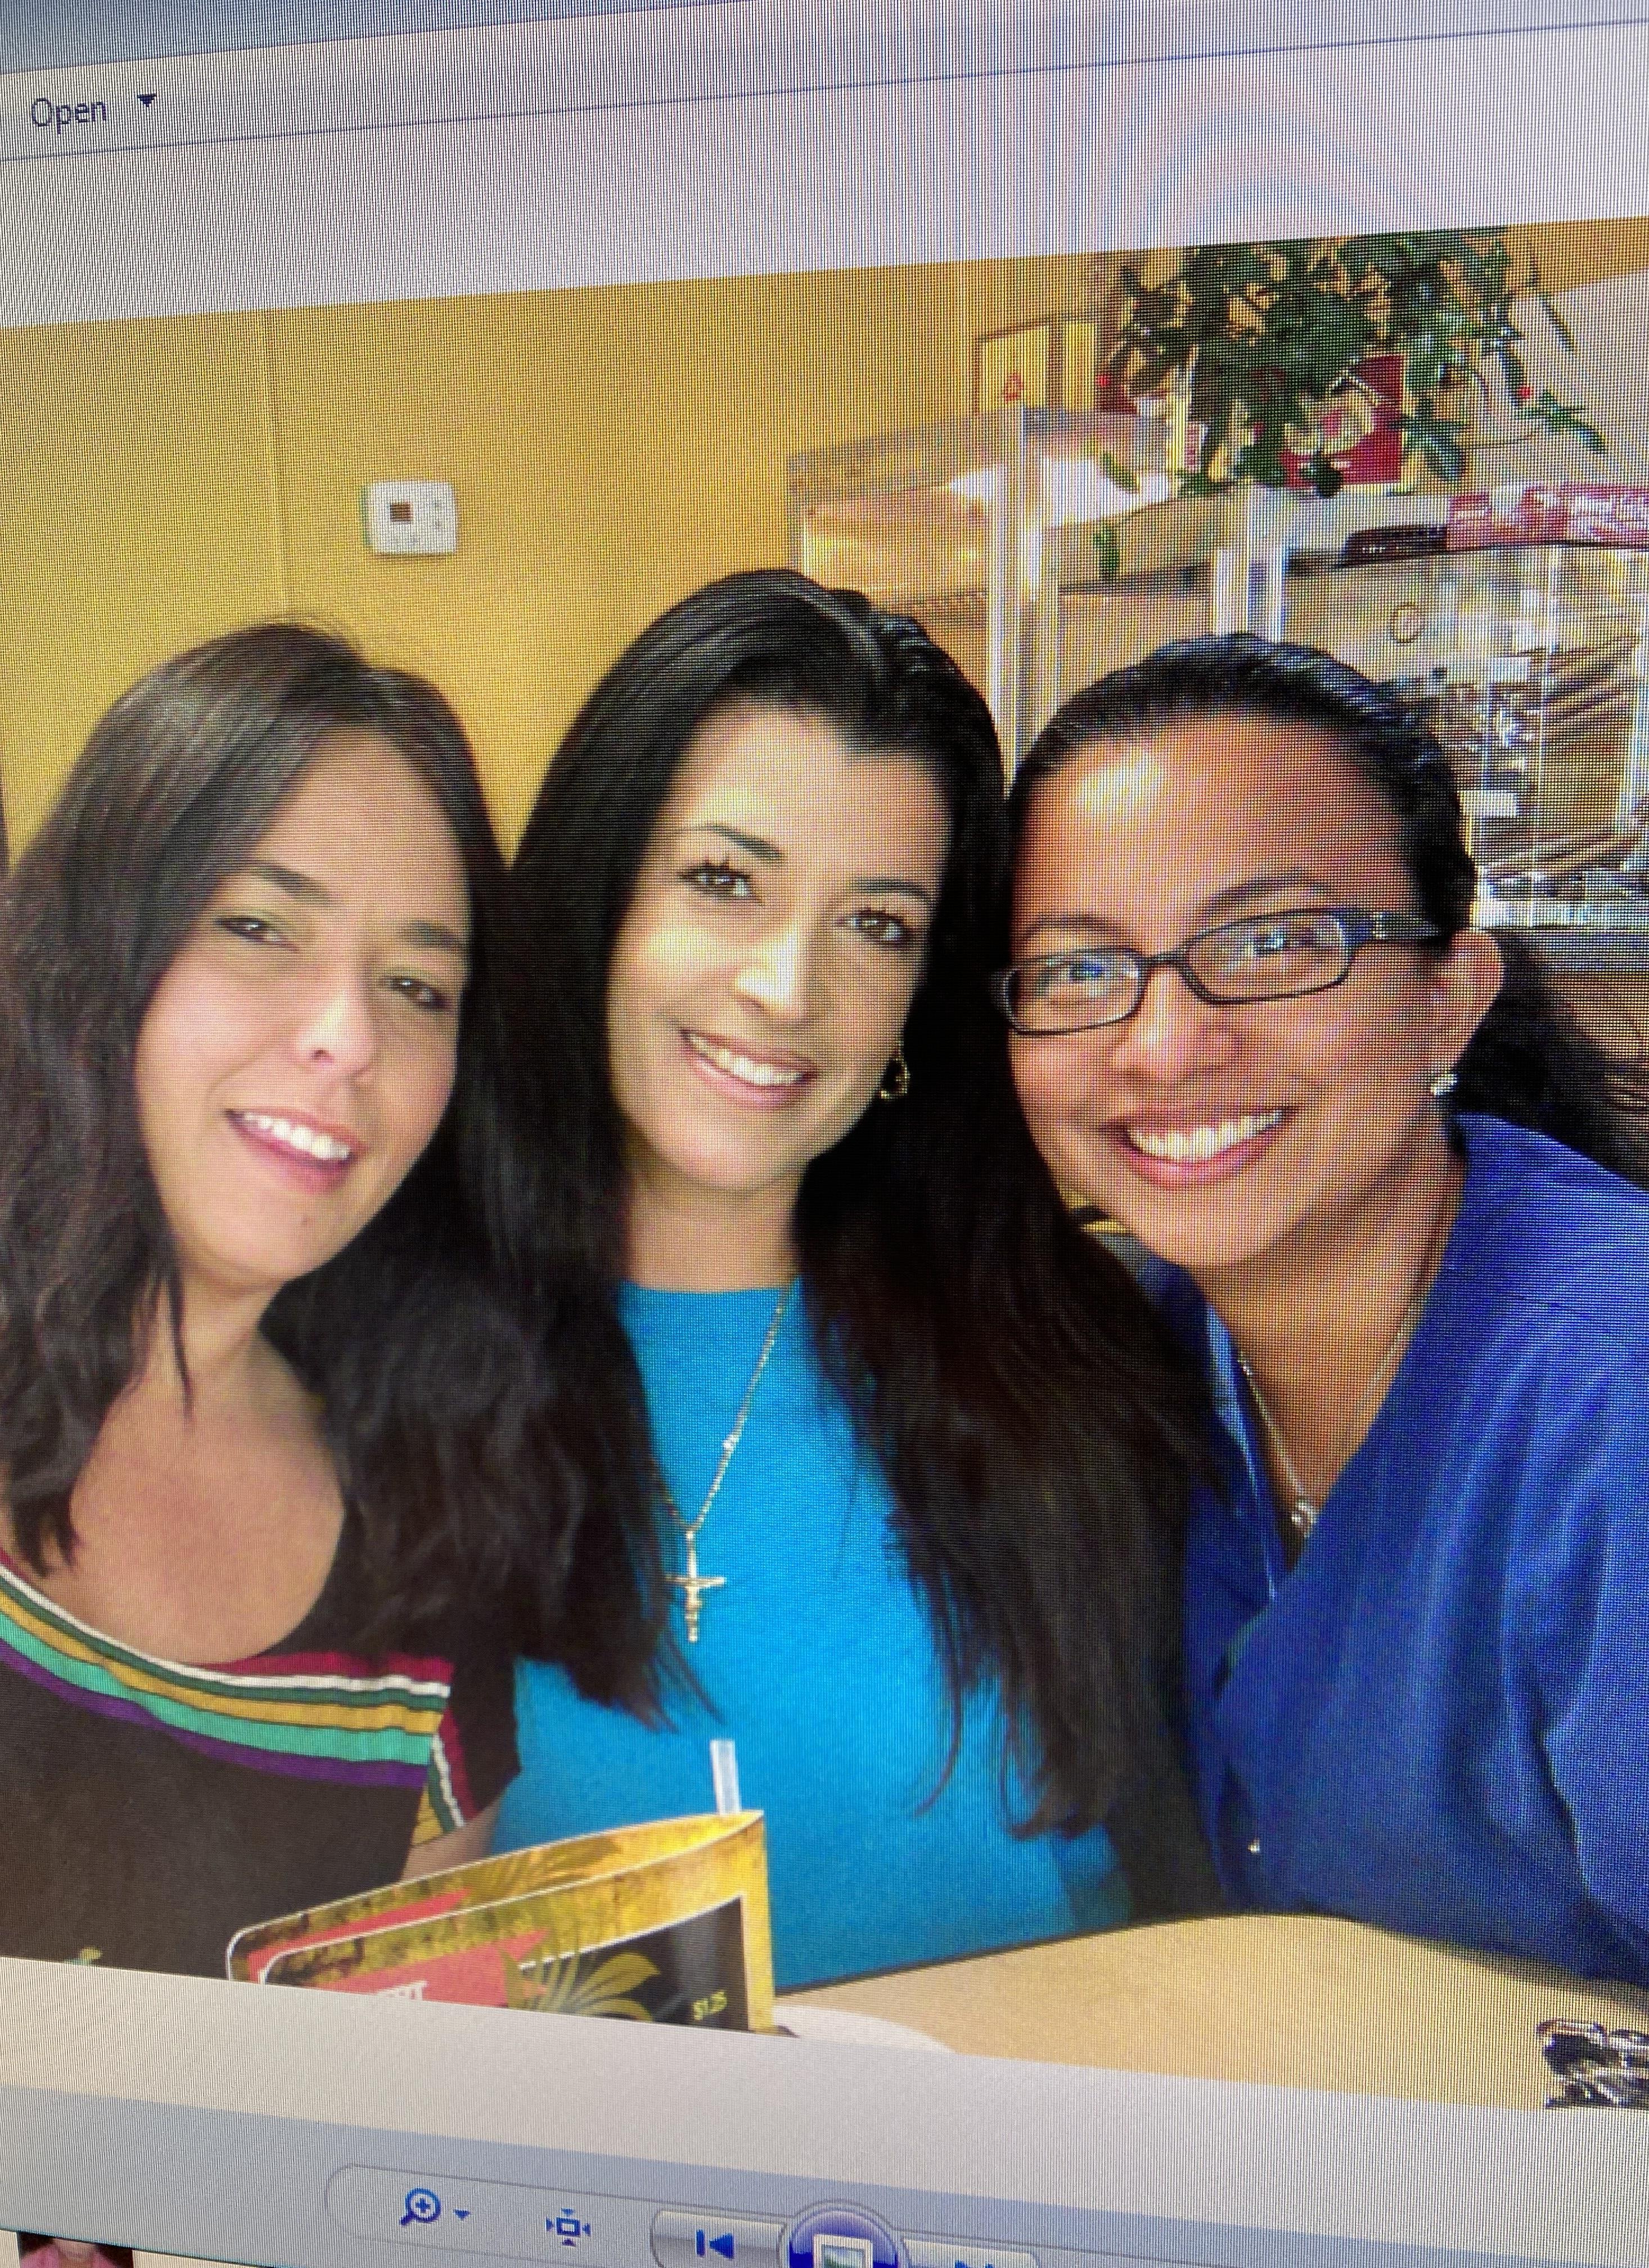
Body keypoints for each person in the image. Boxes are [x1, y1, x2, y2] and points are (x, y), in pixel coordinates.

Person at [492, 569, 1220, 1988]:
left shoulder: (1072, 1357)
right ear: (596, 893)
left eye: (876, 923)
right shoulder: (395, 1346)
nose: (787, 987)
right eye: (723, 881)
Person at [1001, 632, 1649, 2006]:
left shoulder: (1642, 1410)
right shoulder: (1144, 1356)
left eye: (1273, 942)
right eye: (1079, 970)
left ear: (1448, 999)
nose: (1163, 1044)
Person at [0, 622, 569, 1986]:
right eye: (258, 927)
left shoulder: (428, 1553)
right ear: (100, 940)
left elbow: (401, 2072)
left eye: (417, 986)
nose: (348, 1038)